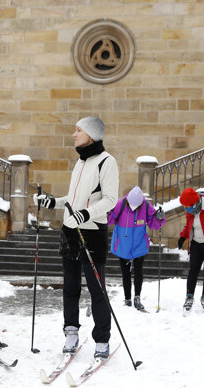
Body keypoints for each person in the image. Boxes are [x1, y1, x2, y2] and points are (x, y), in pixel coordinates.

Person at [34, 116, 118, 359]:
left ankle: (102, 339)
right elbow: (72, 199)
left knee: (96, 289)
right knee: (70, 287)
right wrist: (53, 202)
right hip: (70, 231)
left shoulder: (106, 162)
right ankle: (71, 332)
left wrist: (86, 214)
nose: (74, 134)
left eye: (78, 130)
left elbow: (110, 200)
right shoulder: (80, 162)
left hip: (92, 232)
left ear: (91, 135)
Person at [108, 186, 166, 311]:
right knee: (126, 273)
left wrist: (159, 218)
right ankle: (127, 298)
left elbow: (154, 224)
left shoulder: (146, 205)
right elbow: (110, 219)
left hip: (139, 244)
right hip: (123, 244)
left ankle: (137, 297)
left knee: (138, 271)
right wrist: (107, 213)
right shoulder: (121, 204)